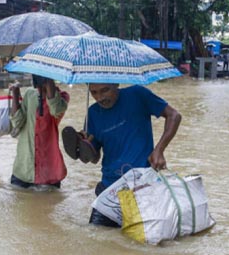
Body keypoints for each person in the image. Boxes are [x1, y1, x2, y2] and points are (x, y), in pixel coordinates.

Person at [62, 84, 182, 227]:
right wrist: (84, 146)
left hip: (142, 186)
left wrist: (159, 150)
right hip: (109, 189)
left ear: (116, 84)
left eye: (104, 90)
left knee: (145, 240)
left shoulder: (138, 94)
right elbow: (95, 159)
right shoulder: (92, 114)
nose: (100, 98)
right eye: (94, 92)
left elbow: (174, 115)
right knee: (96, 236)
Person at [8, 75, 70, 188]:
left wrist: (48, 83)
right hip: (24, 169)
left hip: (49, 172)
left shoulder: (62, 97)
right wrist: (15, 95)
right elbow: (17, 123)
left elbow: (55, 110)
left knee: (48, 204)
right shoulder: (30, 94)